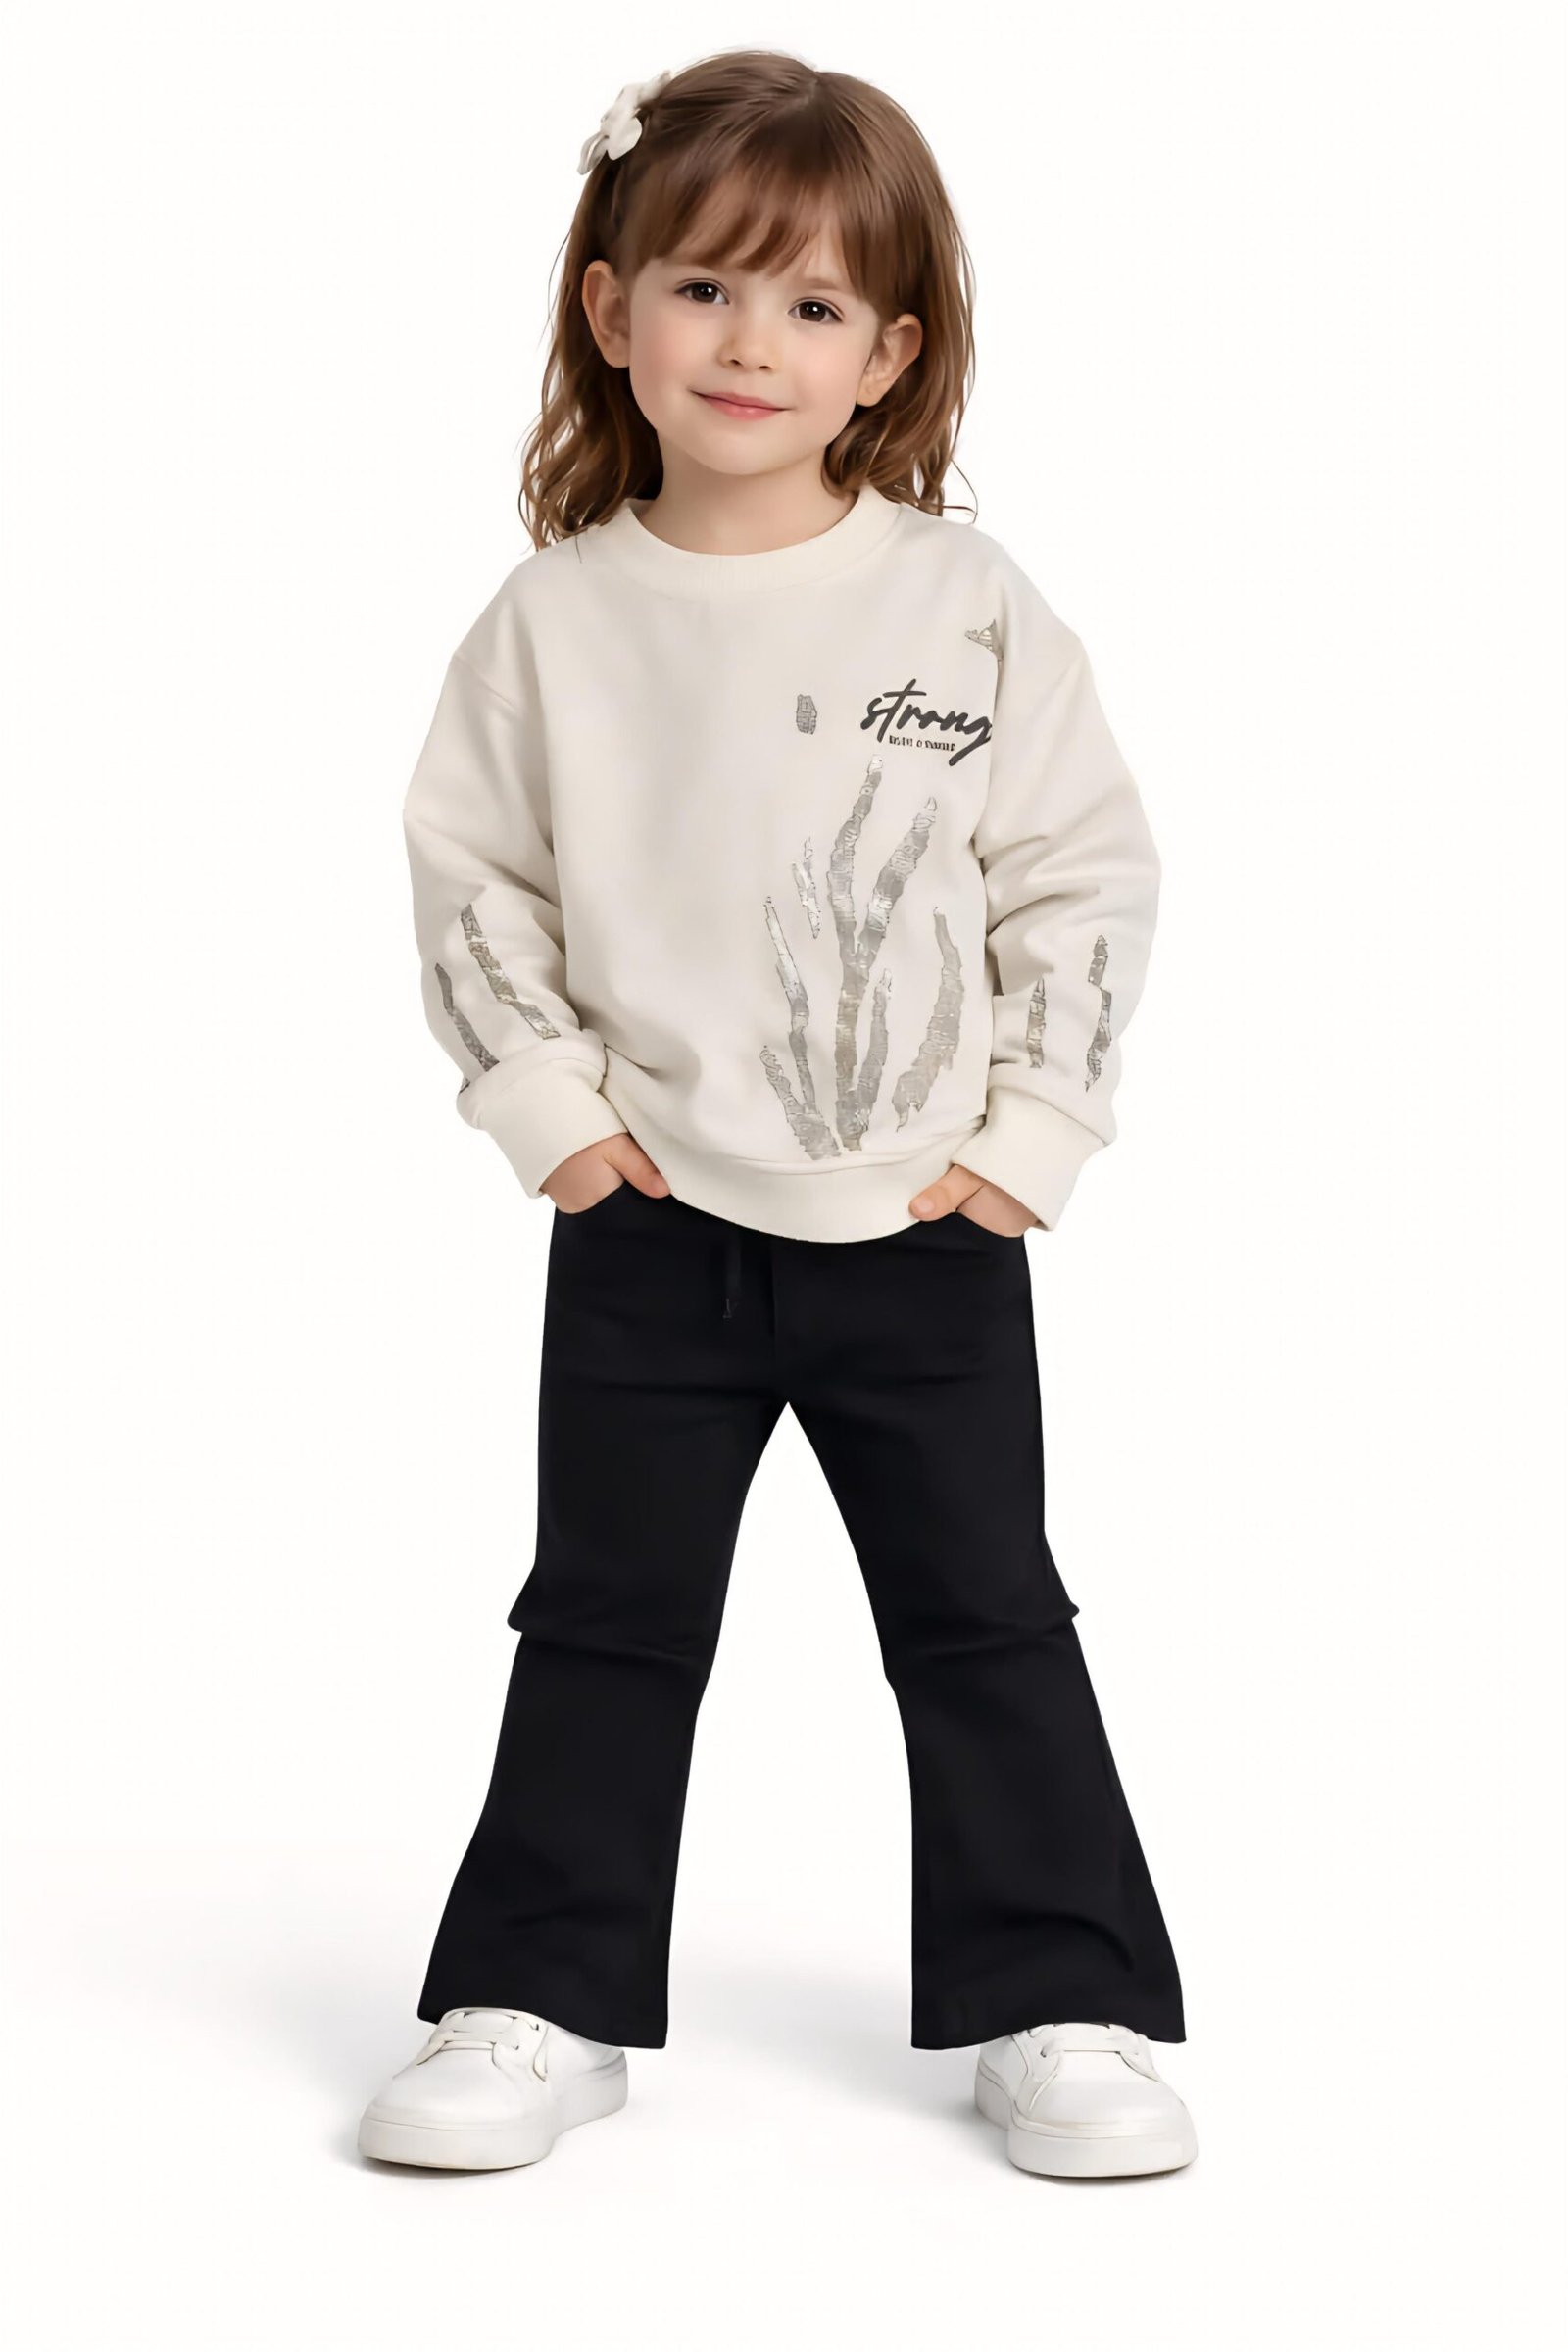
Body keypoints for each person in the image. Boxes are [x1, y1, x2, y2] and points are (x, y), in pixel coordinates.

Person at [358, 48, 1197, 2182]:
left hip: (922, 1222)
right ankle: (541, 1997)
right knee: (604, 1620)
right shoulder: (554, 622)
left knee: (983, 1616)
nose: (752, 343)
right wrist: (549, 1114)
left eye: (812, 304)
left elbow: (1078, 870)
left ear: (886, 354)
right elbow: (477, 878)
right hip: (649, 1222)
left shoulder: (964, 609)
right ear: (610, 307)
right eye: (706, 289)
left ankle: (1058, 1994)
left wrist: (1028, 1138)